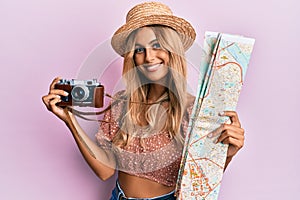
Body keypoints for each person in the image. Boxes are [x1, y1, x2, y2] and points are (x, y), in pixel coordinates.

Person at [42, 2, 245, 199]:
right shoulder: (121, 105)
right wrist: (70, 120)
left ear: (171, 50)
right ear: (132, 57)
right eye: (139, 49)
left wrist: (227, 154)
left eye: (157, 45)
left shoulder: (193, 111)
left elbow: (198, 182)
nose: (148, 57)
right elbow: (105, 171)